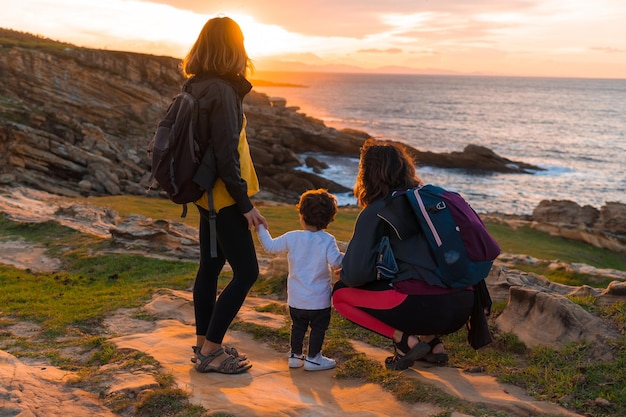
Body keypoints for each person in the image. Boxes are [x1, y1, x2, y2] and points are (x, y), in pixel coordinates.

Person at [332, 139, 478, 370]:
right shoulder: (431, 203)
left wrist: (346, 273)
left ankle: (404, 340)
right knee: (416, 279)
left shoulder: (377, 211)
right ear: (405, 167)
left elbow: (355, 275)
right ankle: (433, 344)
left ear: (367, 174)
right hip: (463, 304)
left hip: (425, 306)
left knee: (340, 295)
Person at [184, 16, 268, 374]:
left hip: (206, 196)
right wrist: (245, 204)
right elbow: (225, 153)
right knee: (247, 272)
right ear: (234, 47)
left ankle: (204, 344)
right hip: (225, 197)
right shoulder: (222, 89)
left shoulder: (196, 85)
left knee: (212, 267)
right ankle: (212, 351)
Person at [256, 189, 344, 371]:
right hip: (319, 300)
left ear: (302, 215)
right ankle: (313, 358)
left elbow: (270, 246)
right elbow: (336, 262)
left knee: (298, 327)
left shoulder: (292, 237)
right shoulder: (327, 240)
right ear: (329, 219)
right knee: (318, 329)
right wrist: (351, 256)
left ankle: (295, 357)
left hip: (296, 299)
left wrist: (260, 227)